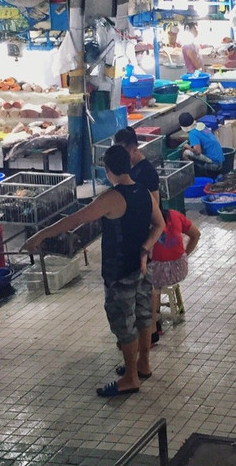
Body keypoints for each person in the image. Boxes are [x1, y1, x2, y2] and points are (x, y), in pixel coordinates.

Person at [24, 146, 164, 396]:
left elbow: (75, 219)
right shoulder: (143, 192)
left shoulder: (111, 198)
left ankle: (131, 378)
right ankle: (143, 365)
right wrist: (145, 248)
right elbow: (159, 225)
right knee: (144, 317)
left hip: (120, 271)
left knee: (125, 324)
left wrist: (41, 235)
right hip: (143, 268)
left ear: (108, 170)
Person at [147, 207, 200, 345]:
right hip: (180, 268)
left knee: (150, 287)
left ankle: (154, 327)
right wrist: (184, 255)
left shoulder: (148, 222)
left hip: (159, 272)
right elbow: (196, 234)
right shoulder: (175, 215)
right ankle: (155, 320)